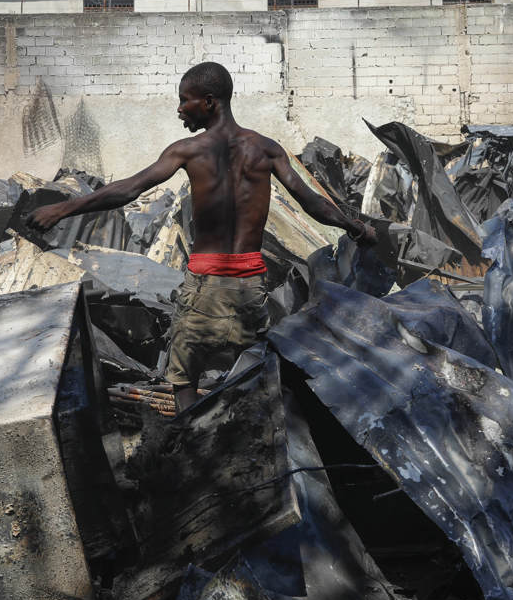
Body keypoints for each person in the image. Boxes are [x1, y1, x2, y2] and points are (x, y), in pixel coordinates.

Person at [27, 61, 376, 411]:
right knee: (255, 376)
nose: (179, 110)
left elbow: (129, 189)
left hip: (205, 284)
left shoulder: (189, 150)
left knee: (183, 380)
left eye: (184, 100)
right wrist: (356, 228)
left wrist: (62, 209)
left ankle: (188, 447)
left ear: (209, 102)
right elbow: (311, 201)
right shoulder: (266, 149)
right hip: (250, 288)